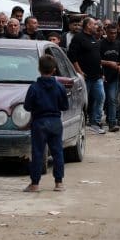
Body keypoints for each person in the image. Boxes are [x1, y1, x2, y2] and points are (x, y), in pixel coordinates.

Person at [22, 55, 69, 193]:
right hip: (55, 122)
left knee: (37, 152)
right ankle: (59, 183)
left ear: (39, 69)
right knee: (57, 152)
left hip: (39, 122)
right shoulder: (59, 87)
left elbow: (27, 107)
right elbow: (64, 106)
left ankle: (35, 184)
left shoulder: (34, 87)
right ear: (54, 70)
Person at [68, 17, 105, 135]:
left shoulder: (94, 38)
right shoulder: (78, 38)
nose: (96, 26)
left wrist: (101, 73)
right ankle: (80, 124)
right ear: (88, 25)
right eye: (94, 24)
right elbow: (72, 57)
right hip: (84, 77)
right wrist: (79, 72)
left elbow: (97, 57)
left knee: (100, 97)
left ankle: (96, 122)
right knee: (83, 101)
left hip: (97, 76)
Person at [100, 23, 120, 132]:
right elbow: (96, 60)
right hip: (102, 76)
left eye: (115, 33)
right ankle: (97, 121)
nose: (113, 35)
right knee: (102, 100)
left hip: (114, 77)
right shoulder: (100, 44)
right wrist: (109, 63)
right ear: (106, 32)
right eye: (111, 33)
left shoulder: (119, 44)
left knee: (112, 99)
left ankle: (112, 122)